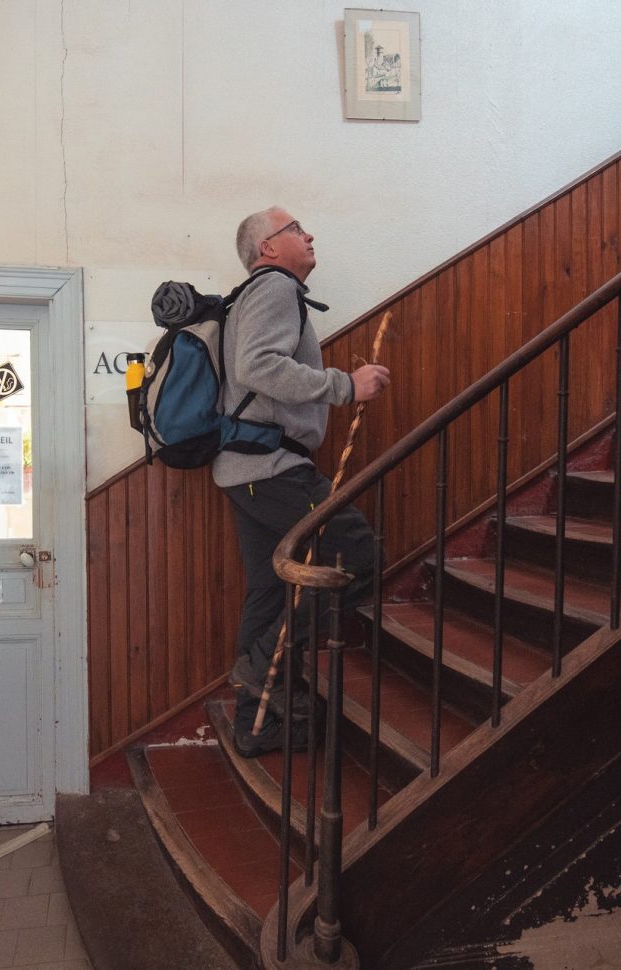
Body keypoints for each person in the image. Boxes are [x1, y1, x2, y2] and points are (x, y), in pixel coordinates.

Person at [216, 206, 391, 757]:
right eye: (294, 229)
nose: (307, 233)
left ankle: (258, 723)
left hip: (246, 471)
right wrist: (345, 385)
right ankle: (261, 665)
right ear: (267, 248)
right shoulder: (274, 287)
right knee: (358, 555)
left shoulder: (253, 294)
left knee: (270, 592)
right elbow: (258, 366)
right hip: (270, 470)